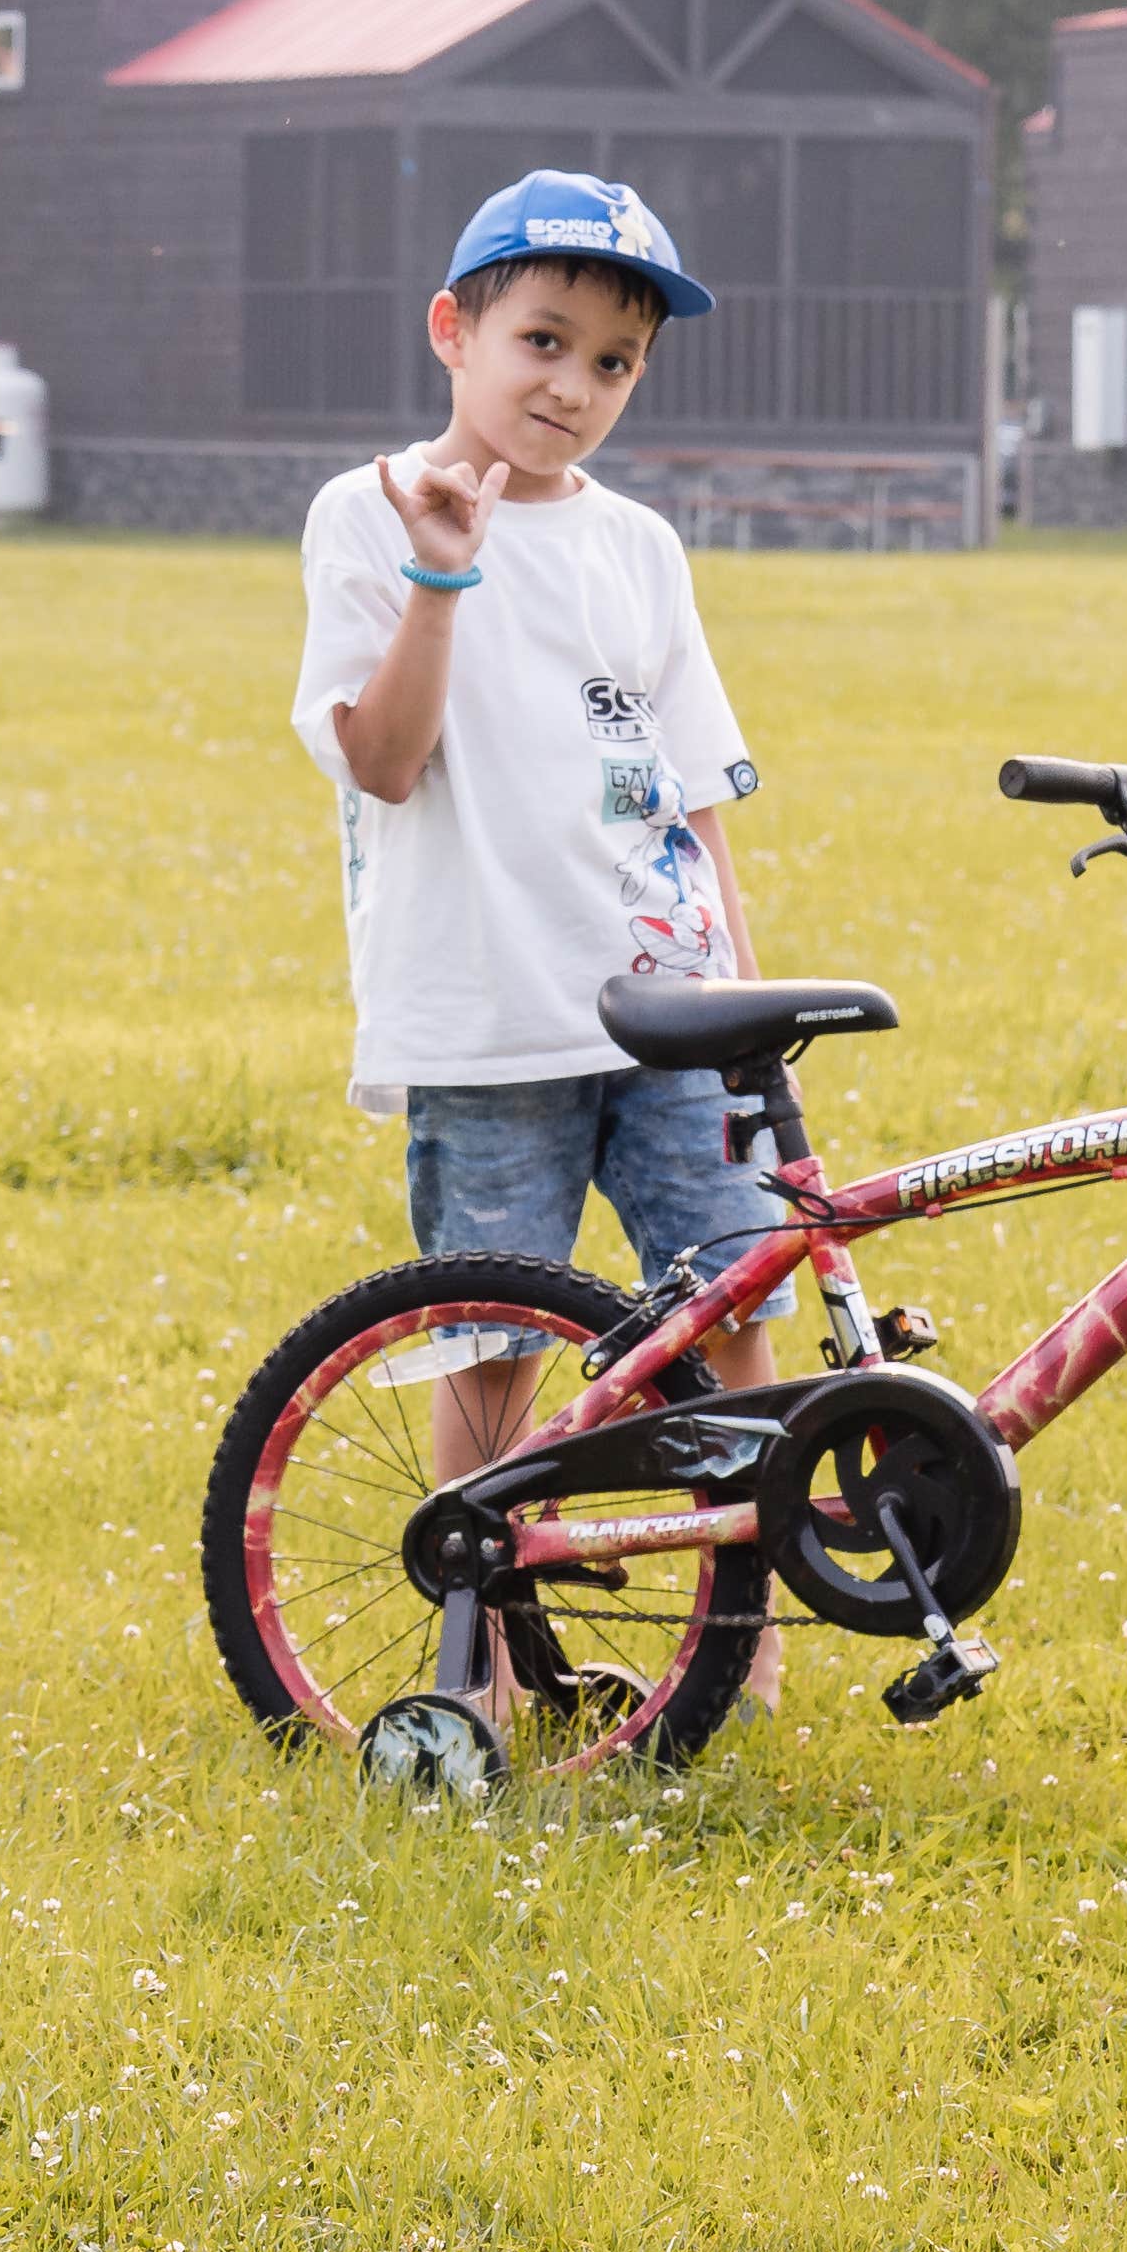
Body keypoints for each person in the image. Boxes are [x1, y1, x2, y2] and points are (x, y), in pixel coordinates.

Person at [292, 172, 784, 1538]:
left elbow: (692, 797)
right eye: (545, 340)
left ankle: (747, 1644)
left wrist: (747, 1008)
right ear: (454, 328)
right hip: (486, 1015)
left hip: (671, 1011)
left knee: (736, 1303)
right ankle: (486, 1646)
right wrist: (443, 575)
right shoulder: (368, 513)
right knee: (492, 1345)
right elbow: (385, 761)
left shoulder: (640, 546)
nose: (575, 384)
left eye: (615, 360)